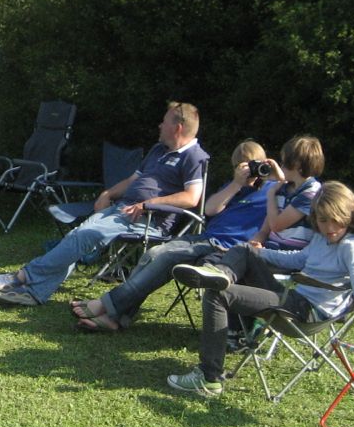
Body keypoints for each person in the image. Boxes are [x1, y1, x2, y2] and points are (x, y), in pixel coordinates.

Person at [166, 180, 354, 398]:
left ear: (349, 216)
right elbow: (297, 259)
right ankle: (221, 274)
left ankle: (208, 378)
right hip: (293, 299)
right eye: (323, 220)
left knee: (217, 296)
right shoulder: (320, 238)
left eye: (336, 220)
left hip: (306, 312)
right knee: (244, 250)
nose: (329, 227)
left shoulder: (352, 247)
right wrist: (259, 252)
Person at [0, 102, 209, 306]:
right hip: (122, 209)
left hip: (148, 219)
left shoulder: (193, 156)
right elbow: (133, 180)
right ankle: (35, 293)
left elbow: (192, 197)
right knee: (77, 236)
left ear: (178, 128)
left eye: (164, 121)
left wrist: (149, 204)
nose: (160, 125)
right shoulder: (158, 150)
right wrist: (108, 193)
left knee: (83, 236)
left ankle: (23, 276)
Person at [69, 139, 269, 333]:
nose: (249, 171)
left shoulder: (271, 191)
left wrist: (273, 175)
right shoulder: (232, 187)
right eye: (241, 166)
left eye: (253, 165)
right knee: (152, 254)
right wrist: (236, 183)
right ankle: (116, 318)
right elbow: (210, 210)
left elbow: (285, 199)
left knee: (165, 258)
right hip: (206, 239)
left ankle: (107, 305)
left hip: (226, 248)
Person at [254, 135, 324, 250]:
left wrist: (271, 194)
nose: (281, 167)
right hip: (270, 249)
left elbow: (276, 225)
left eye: (284, 162)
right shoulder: (283, 188)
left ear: (296, 164)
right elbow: (265, 230)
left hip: (290, 254)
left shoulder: (311, 192)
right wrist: (252, 244)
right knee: (238, 252)